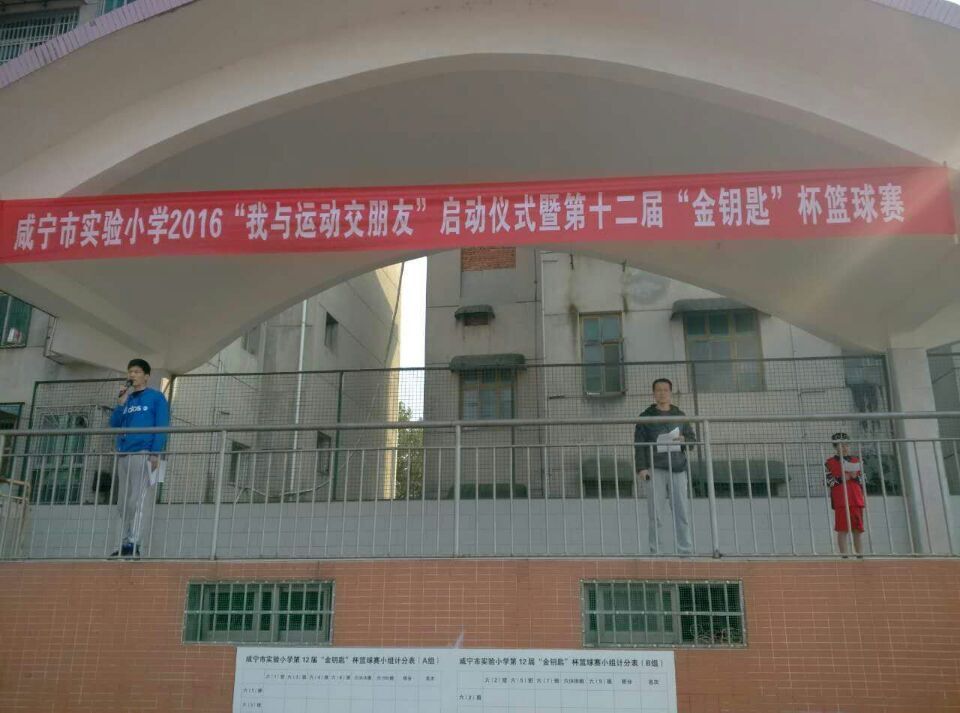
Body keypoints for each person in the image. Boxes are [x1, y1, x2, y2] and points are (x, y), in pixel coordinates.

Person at [109, 358, 169, 557]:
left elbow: (162, 425)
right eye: (130, 371)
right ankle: (122, 542)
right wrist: (120, 404)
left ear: (146, 376)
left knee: (139, 499)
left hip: (144, 452)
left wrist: (155, 452)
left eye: (136, 371)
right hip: (124, 453)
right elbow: (114, 425)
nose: (132, 375)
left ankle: (135, 542)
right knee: (123, 502)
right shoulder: (127, 399)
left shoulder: (156, 397)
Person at [634, 378, 697, 555]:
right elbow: (639, 444)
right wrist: (641, 468)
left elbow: (692, 440)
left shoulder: (680, 415)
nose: (662, 393)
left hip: (678, 468)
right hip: (655, 469)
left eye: (665, 390)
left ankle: (685, 550)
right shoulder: (645, 417)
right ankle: (656, 552)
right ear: (653, 393)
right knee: (655, 514)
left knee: (682, 512)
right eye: (658, 390)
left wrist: (684, 440)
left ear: (670, 393)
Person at [824, 432, 865, 557]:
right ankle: (844, 556)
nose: (844, 447)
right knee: (842, 529)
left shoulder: (856, 460)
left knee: (857, 529)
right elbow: (827, 481)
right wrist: (842, 479)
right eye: (841, 445)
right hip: (841, 501)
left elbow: (864, 480)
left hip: (856, 499)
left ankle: (859, 555)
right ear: (835, 447)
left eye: (846, 445)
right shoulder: (829, 462)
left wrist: (855, 477)